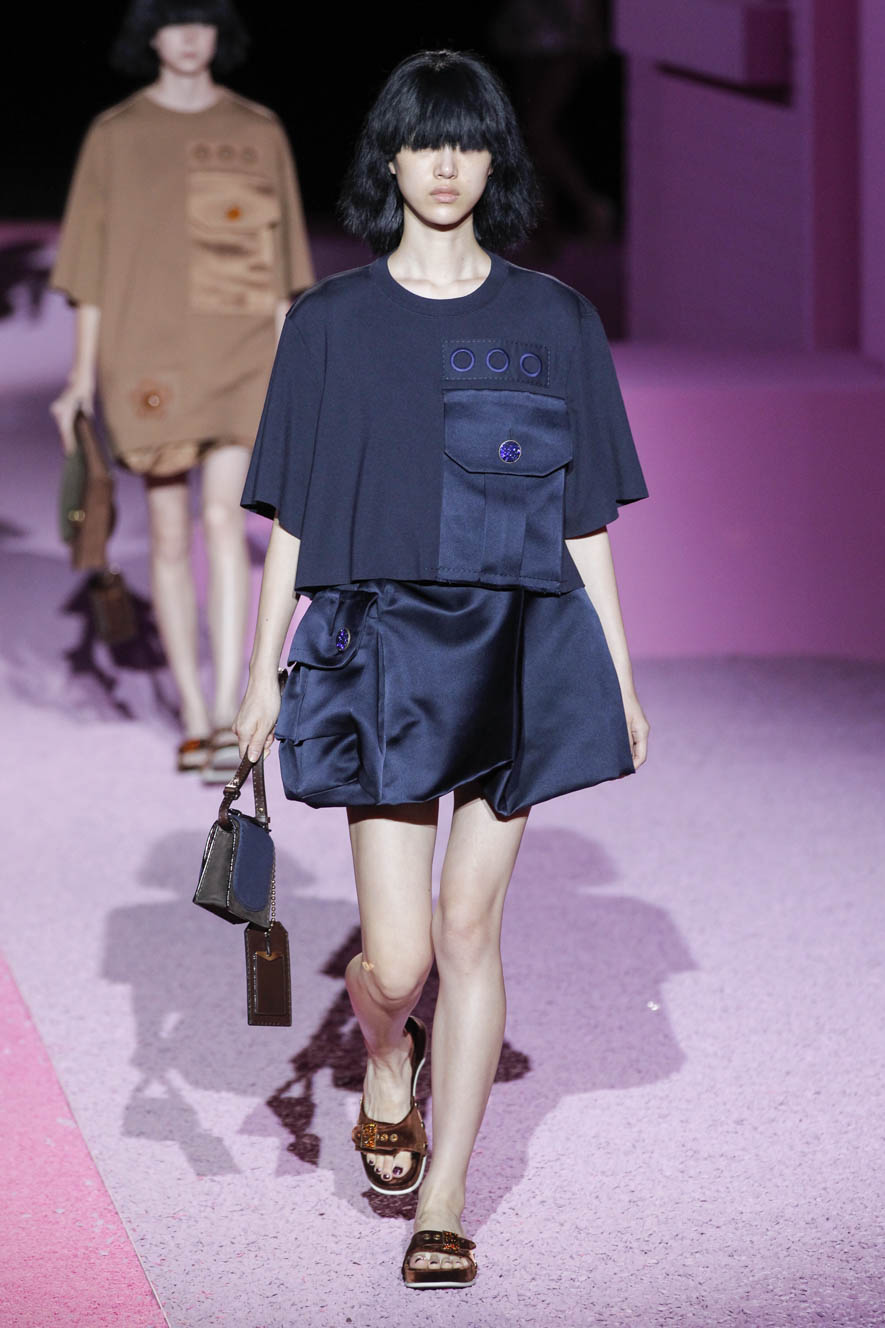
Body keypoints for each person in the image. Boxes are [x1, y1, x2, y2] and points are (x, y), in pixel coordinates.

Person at [235, 49, 649, 1288]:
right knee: (400, 960)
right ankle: (384, 1049)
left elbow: (584, 521)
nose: (447, 164)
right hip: (380, 651)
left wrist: (620, 677)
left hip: (520, 644)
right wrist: (260, 676)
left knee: (471, 926)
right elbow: (295, 519)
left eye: (467, 142)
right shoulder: (328, 324)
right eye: (426, 142)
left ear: (494, 158)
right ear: (391, 159)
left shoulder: (554, 321)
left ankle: (447, 1196)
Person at [49, 0, 314, 779]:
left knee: (222, 521)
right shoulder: (116, 134)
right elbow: (88, 270)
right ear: (150, 35)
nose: (190, 36)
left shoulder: (258, 129)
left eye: (202, 19)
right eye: (173, 20)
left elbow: (281, 267)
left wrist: (290, 368)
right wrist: (79, 375)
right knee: (168, 534)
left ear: (220, 31)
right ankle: (194, 718)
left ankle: (230, 713)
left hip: (240, 354)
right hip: (145, 354)